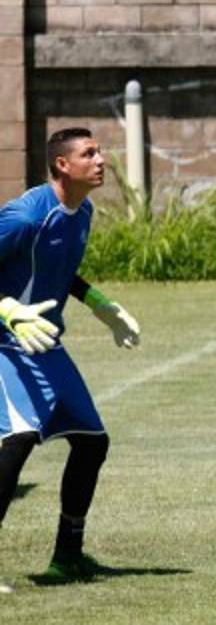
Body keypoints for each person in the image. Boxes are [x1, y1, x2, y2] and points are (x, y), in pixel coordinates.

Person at [0, 127, 141, 584]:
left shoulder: (82, 212)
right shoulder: (23, 217)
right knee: (18, 440)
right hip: (6, 342)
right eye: (90, 153)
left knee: (92, 441)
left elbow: (63, 271)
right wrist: (9, 311)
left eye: (100, 152)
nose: (102, 160)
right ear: (63, 164)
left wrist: (101, 304)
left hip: (46, 343)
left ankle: (68, 556)